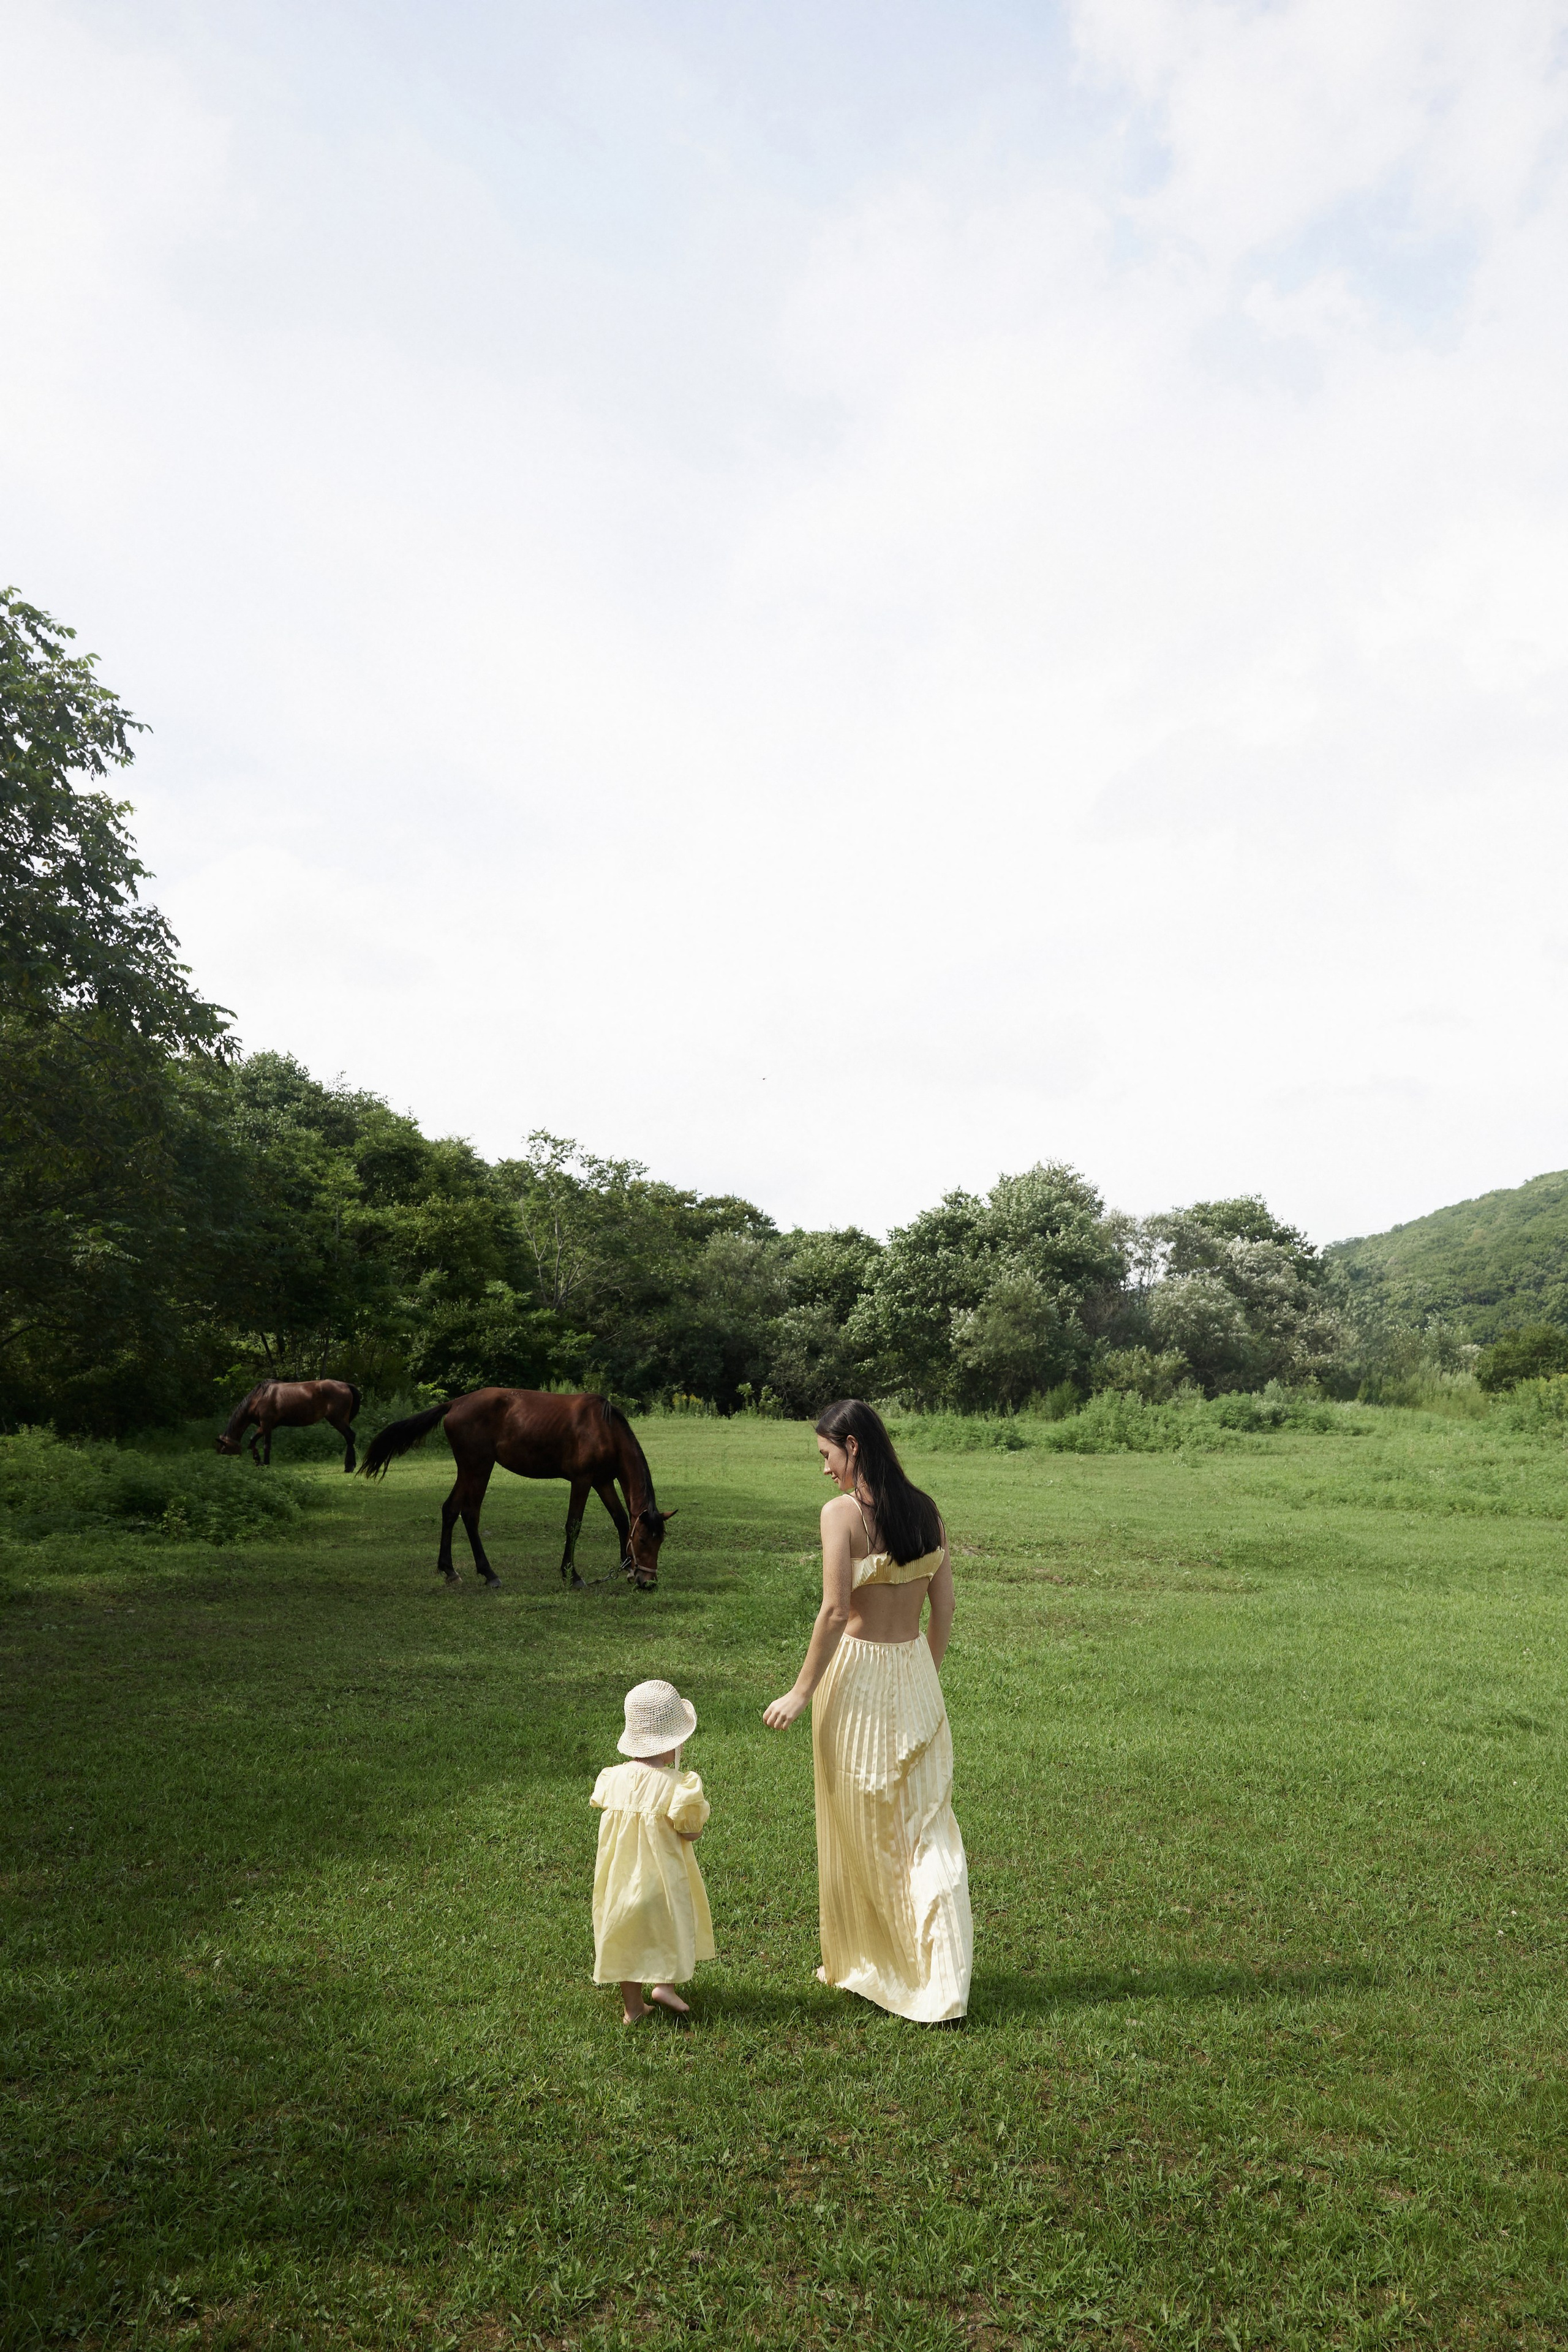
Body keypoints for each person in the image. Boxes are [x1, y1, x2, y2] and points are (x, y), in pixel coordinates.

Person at [763, 1398, 972, 2023]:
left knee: (861, 1828)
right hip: (915, 1671)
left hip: (855, 1683)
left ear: (852, 1445)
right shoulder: (926, 1510)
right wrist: (922, 1676)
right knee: (925, 1826)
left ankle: (874, 1963)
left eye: (826, 1455)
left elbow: (834, 1612)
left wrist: (799, 1692)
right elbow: (945, 1608)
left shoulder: (842, 1515)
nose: (824, 1469)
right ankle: (937, 1971)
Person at [590, 1678, 714, 2024]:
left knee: (626, 1935)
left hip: (620, 1881)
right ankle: (665, 1987)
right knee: (667, 1929)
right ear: (670, 1745)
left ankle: (633, 2008)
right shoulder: (678, 1786)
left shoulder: (612, 1778)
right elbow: (691, 1832)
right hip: (663, 1881)